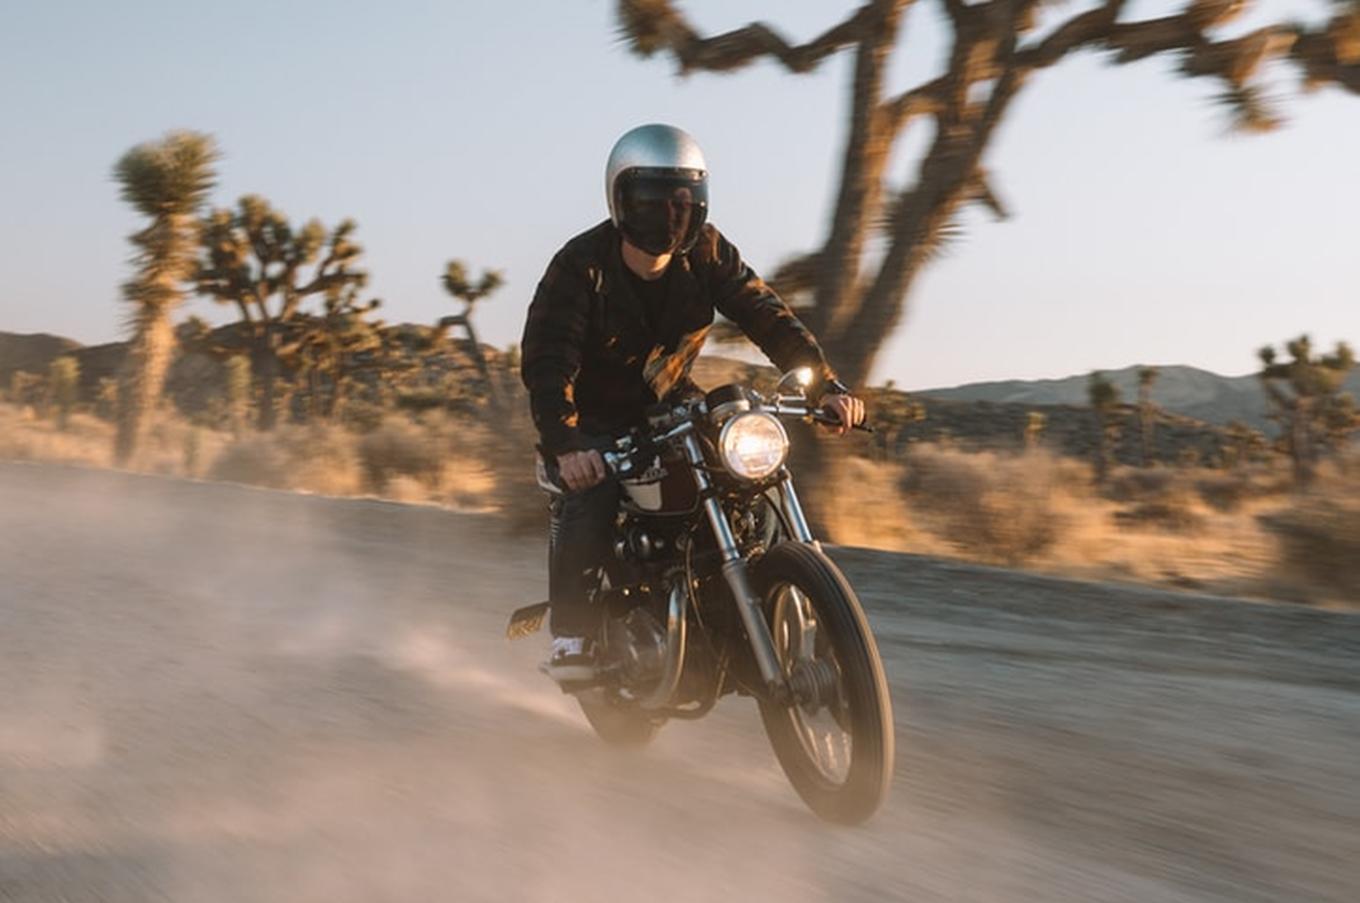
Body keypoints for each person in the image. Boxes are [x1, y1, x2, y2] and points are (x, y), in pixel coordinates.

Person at [520, 123, 864, 682]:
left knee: (746, 473)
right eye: (654, 202)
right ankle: (573, 634)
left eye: (684, 202)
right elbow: (547, 360)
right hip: (594, 418)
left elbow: (762, 311)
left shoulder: (706, 251)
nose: (671, 217)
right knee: (594, 487)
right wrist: (567, 443)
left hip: (673, 404)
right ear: (621, 201)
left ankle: (768, 598)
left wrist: (825, 385)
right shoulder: (579, 267)